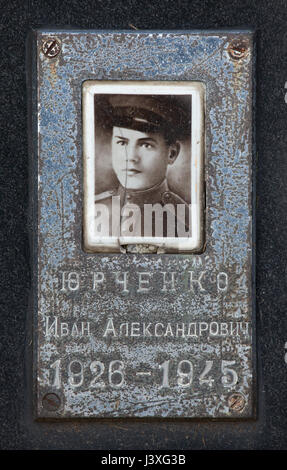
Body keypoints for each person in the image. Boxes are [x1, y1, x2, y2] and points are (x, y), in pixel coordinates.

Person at [94, 94, 191, 238]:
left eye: (146, 145)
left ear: (172, 153)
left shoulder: (188, 221)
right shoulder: (93, 210)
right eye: (122, 143)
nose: (131, 157)